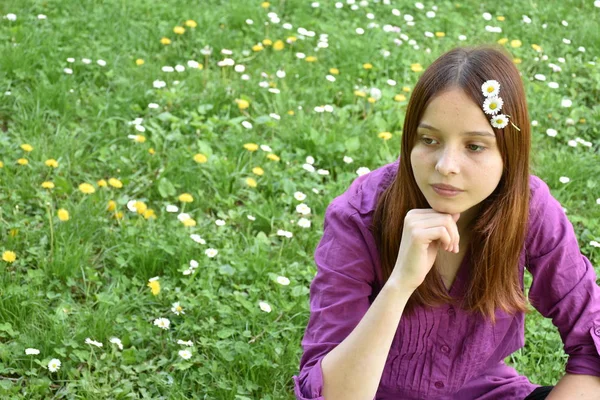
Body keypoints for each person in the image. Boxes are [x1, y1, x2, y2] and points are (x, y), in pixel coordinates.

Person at [292, 44, 600, 400]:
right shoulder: (359, 217)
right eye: (429, 140)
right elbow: (329, 393)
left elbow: (592, 349)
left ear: (509, 153)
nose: (445, 166)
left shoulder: (529, 209)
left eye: (474, 146)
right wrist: (399, 285)